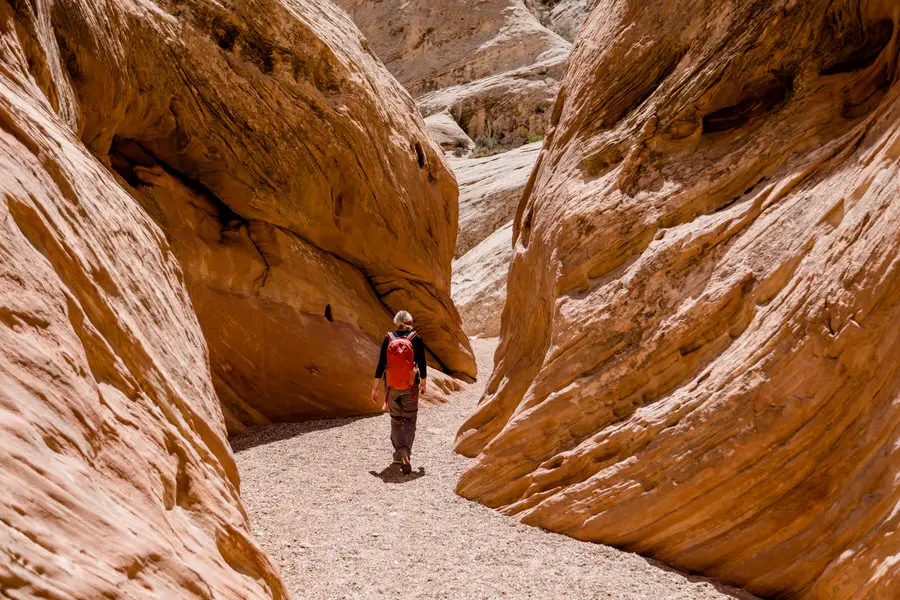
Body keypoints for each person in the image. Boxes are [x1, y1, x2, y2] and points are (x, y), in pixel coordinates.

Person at [372, 310, 427, 474]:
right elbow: (422, 364)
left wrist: (374, 388)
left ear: (396, 322)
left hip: (391, 386)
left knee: (396, 419)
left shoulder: (389, 338)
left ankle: (399, 453)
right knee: (410, 420)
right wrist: (423, 383)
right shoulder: (415, 338)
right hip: (410, 387)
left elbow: (381, 364)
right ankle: (404, 452)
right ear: (410, 321)